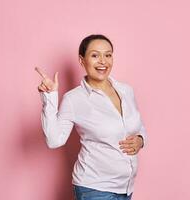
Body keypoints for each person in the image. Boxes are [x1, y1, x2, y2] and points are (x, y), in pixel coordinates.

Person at [35, 34, 147, 200]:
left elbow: (138, 126)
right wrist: (50, 98)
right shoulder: (74, 99)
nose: (103, 61)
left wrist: (140, 139)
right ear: (82, 60)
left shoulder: (126, 91)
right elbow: (54, 140)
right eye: (95, 55)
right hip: (94, 188)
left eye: (108, 55)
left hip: (126, 188)